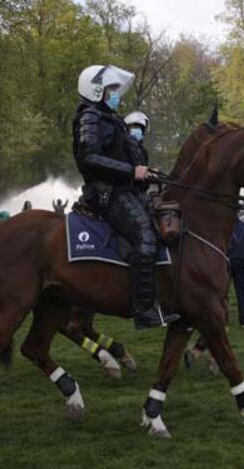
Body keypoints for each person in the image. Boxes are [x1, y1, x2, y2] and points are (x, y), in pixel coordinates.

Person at [73, 64, 178, 329]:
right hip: (108, 194)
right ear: (97, 90)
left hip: (126, 189)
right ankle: (143, 309)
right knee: (145, 235)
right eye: (112, 89)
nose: (117, 94)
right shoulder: (90, 117)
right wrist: (133, 170)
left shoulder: (109, 118)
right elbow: (89, 158)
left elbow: (125, 154)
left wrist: (147, 172)